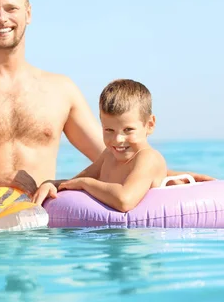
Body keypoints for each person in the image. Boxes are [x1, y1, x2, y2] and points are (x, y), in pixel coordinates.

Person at [0, 0, 212, 195]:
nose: (2, 18)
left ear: (28, 13)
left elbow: (114, 155)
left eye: (11, 8)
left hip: (42, 230)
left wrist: (169, 175)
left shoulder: (61, 91)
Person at [32, 79, 169, 211]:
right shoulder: (109, 155)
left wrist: (85, 184)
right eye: (109, 130)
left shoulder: (148, 158)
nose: (118, 139)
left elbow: (125, 201)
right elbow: (73, 183)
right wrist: (51, 184)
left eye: (128, 130)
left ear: (150, 125)